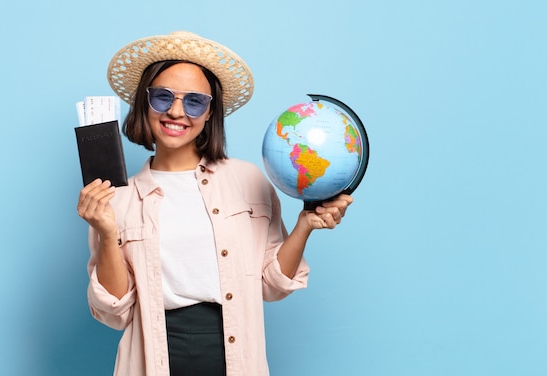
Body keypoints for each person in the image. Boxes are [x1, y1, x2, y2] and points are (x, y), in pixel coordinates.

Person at [76, 30, 353, 376]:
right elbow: (114, 313)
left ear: (210, 113)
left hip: (236, 355)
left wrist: (304, 226)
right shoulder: (116, 198)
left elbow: (271, 284)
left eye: (194, 102)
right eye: (162, 97)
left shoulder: (247, 180)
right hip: (154, 357)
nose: (176, 112)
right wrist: (105, 232)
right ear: (145, 104)